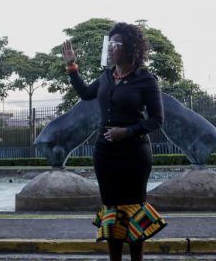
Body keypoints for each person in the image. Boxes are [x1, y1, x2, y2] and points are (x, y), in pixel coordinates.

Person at [62, 22, 166, 261]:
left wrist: (127, 131)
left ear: (130, 48)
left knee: (133, 212)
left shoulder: (146, 80)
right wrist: (71, 66)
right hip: (105, 154)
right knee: (112, 212)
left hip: (134, 155)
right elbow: (86, 93)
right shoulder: (107, 77)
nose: (111, 48)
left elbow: (157, 120)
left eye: (116, 44)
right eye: (109, 44)